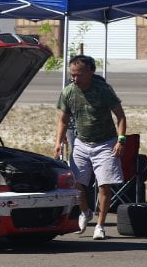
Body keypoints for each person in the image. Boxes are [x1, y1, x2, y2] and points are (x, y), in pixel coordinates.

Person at [54, 55, 127, 240]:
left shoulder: (103, 90)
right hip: (81, 142)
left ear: (90, 72)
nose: (74, 78)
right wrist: (58, 143)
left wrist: (121, 140)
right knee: (77, 183)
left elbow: (120, 116)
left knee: (104, 185)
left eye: (78, 75)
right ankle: (85, 211)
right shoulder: (69, 92)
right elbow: (63, 120)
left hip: (106, 143)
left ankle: (100, 225)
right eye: (72, 75)